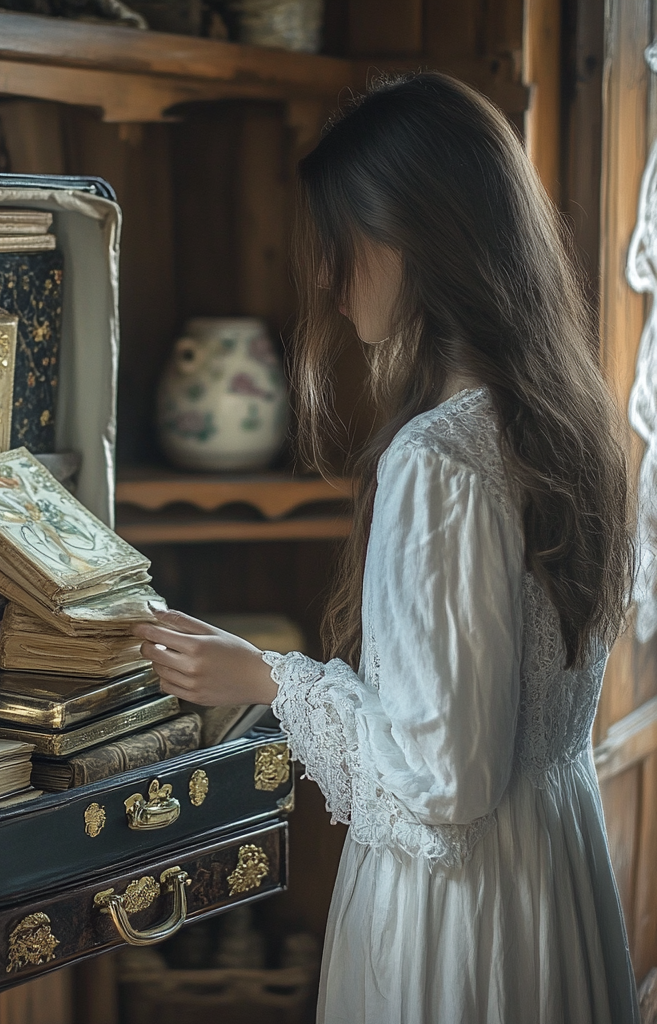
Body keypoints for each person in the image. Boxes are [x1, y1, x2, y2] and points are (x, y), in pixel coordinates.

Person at [132, 73, 640, 1024]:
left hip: (465, 913)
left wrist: (270, 681)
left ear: (413, 238)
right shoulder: (569, 424)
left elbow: (446, 781)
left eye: (339, 247)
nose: (326, 281)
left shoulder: (440, 459)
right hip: (557, 870)